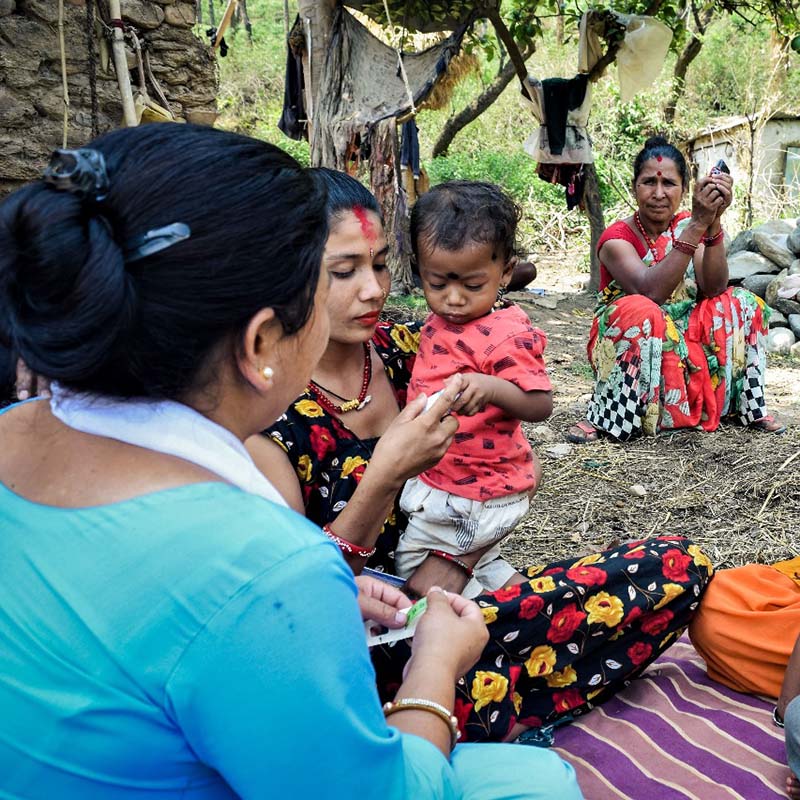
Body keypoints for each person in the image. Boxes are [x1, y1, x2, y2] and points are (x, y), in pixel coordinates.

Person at [0, 125, 583, 799]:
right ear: (260, 343)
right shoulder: (264, 562)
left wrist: (328, 596)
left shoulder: (15, 431)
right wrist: (435, 664)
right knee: (540, 782)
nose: (369, 294)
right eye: (326, 282)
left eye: (379, 267)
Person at [251, 166, 714, 744]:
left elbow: (513, 433)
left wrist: (486, 521)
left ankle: (483, 693)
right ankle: (463, 701)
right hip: (374, 645)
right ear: (285, 275)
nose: (373, 290)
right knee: (386, 678)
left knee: (676, 566)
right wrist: (387, 478)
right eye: (344, 271)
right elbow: (292, 612)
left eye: (381, 265)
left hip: (462, 615)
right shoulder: (269, 422)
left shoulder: (414, 348)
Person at [567, 135, 784, 444]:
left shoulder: (684, 225)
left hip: (684, 337)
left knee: (742, 301)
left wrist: (713, 222)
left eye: (669, 183)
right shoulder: (617, 239)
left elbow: (714, 287)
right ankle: (609, 417)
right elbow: (649, 292)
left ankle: (746, 408)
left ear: (684, 190)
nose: (658, 193)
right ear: (634, 187)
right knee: (641, 310)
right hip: (635, 342)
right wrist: (697, 226)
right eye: (648, 183)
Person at [396, 181, 553, 597]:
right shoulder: (441, 322)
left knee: (414, 570)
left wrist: (492, 388)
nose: (453, 299)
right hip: (452, 480)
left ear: (505, 272)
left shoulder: (506, 333)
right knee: (484, 565)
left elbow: (540, 403)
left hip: (475, 492)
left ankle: (479, 624)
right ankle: (531, 605)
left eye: (472, 285)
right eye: (437, 284)